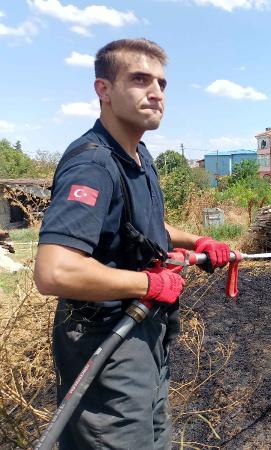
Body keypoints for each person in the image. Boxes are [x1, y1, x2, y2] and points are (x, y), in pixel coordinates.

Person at [34, 38, 230, 449]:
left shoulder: (137, 154)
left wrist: (200, 240)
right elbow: (55, 270)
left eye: (161, 82)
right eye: (140, 79)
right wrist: (148, 284)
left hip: (145, 333)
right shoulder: (92, 164)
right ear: (102, 89)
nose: (156, 92)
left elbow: (144, 223)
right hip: (105, 339)